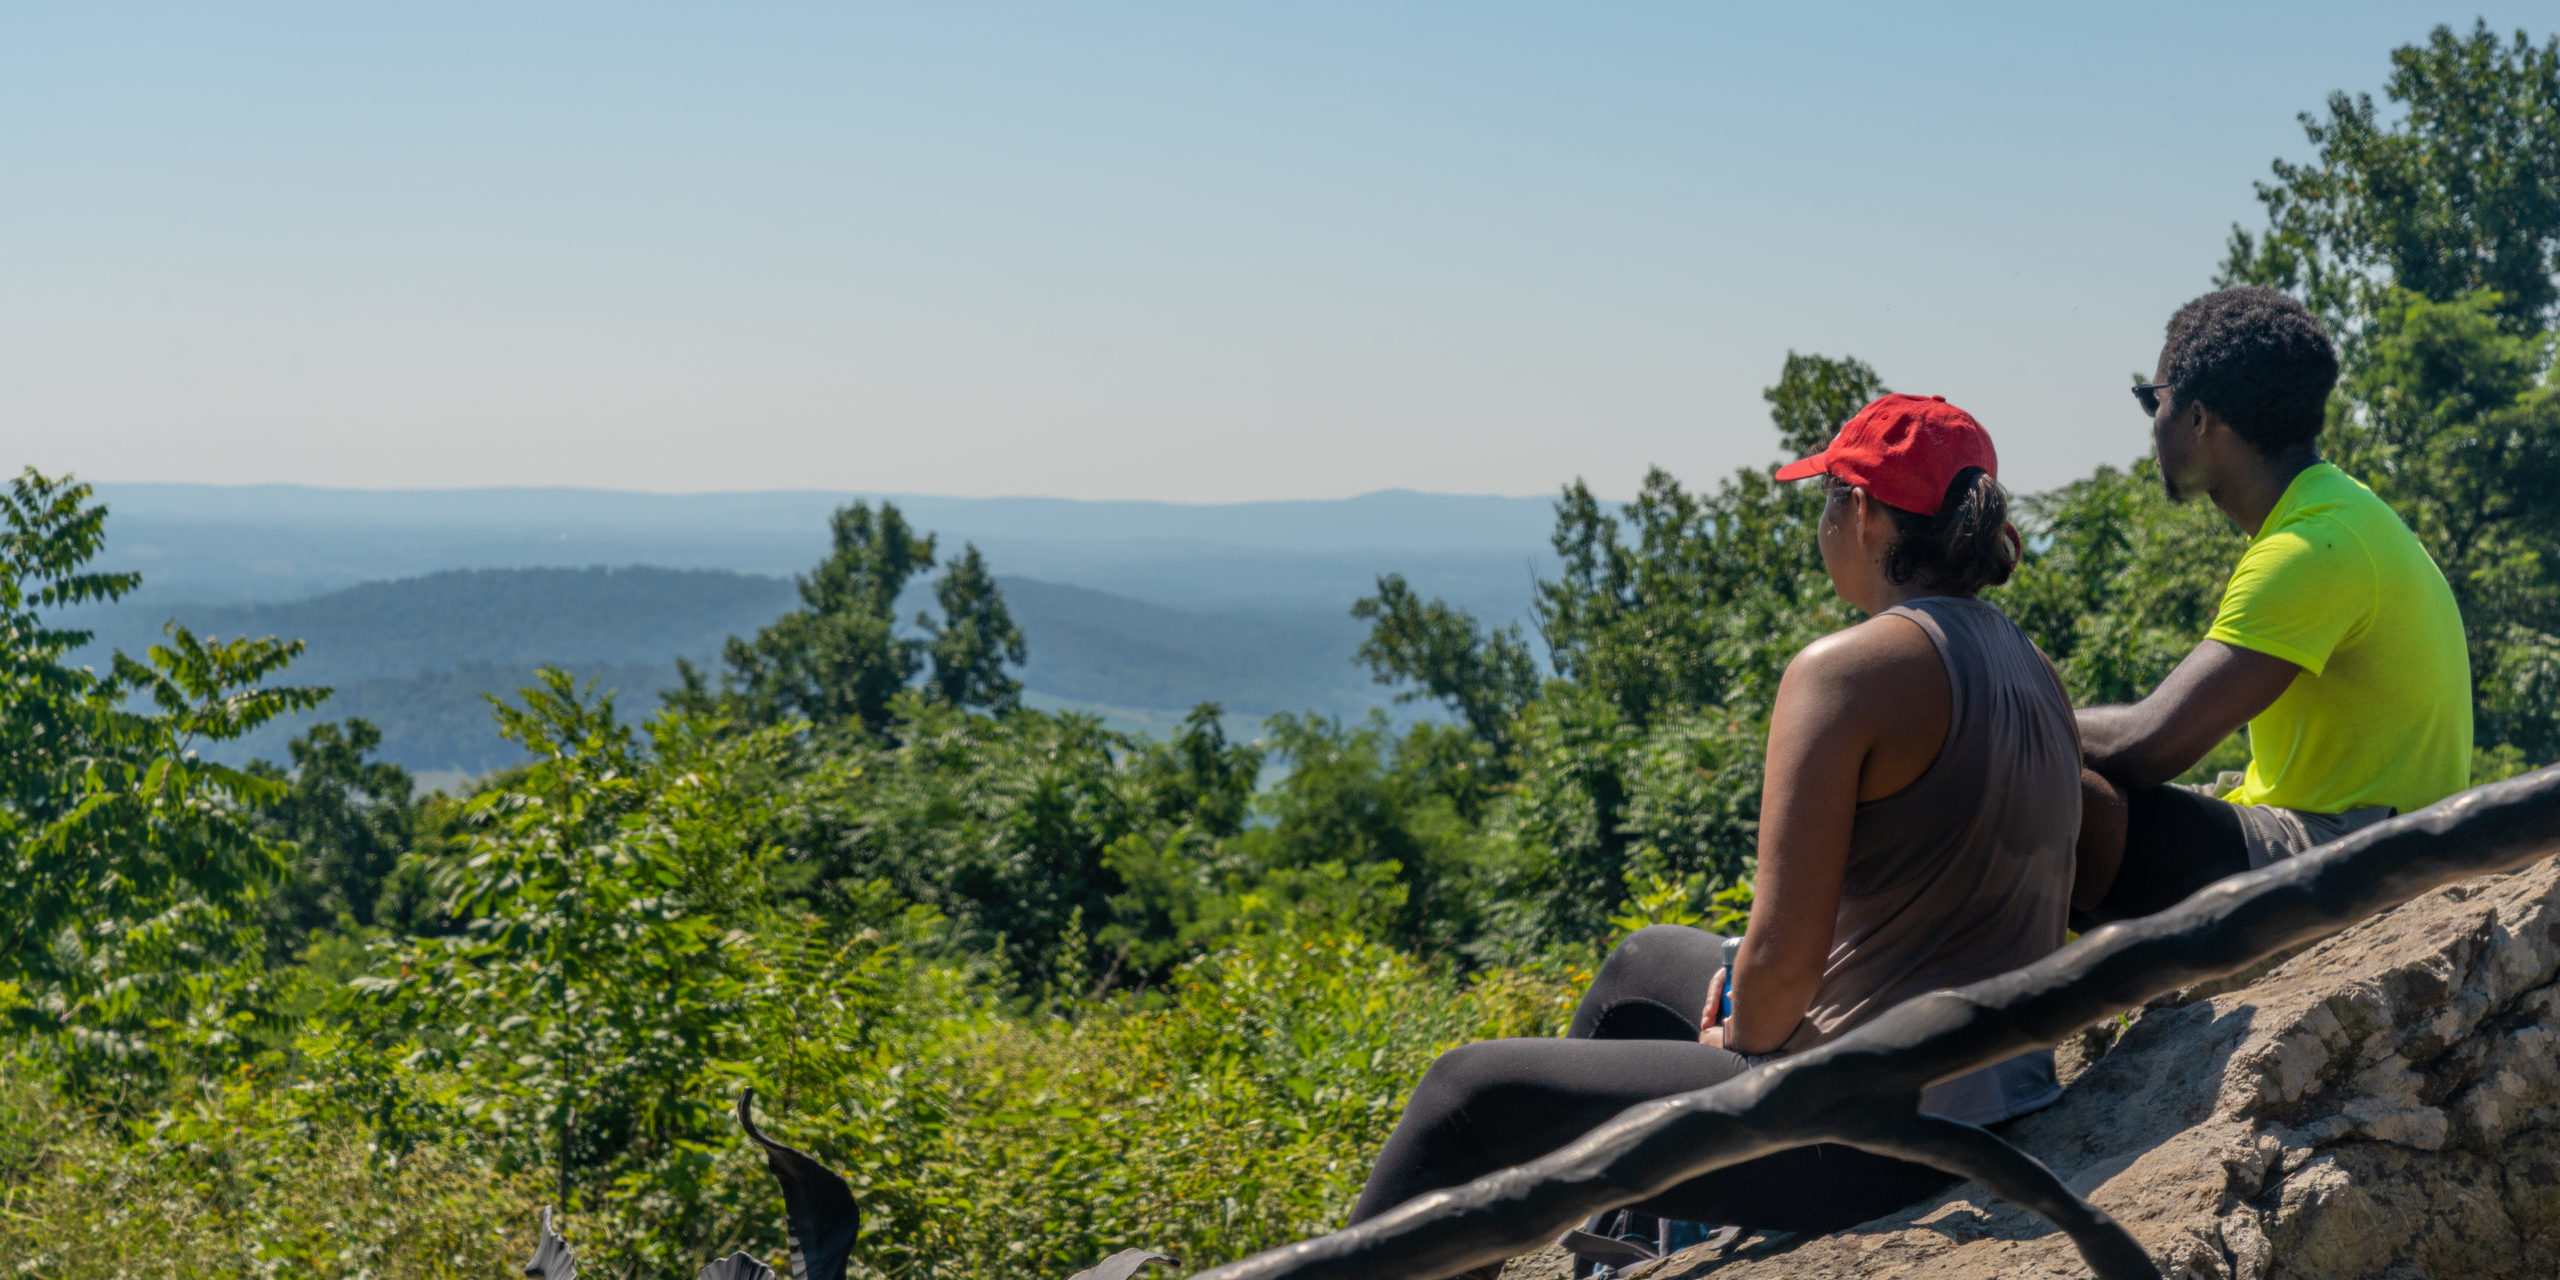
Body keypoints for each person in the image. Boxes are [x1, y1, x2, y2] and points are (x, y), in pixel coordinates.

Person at [1346, 395, 2080, 1263]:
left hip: (1874, 1137)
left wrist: (1736, 1032)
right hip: (1996, 1096)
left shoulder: (1845, 674)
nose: (1823, 522)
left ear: (1868, 512)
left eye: (1830, 496)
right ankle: (1610, 1242)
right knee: (1644, 962)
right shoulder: (2032, 668)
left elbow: (1778, 978)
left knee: (1470, 1095)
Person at [2070, 288, 2473, 927]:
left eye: (2155, 400)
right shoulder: (2338, 511)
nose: (2153, 421)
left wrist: (2001, 717)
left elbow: (2149, 745)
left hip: (2358, 855)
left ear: (2198, 419)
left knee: (2048, 796)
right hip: (2347, 823)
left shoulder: (2309, 547)